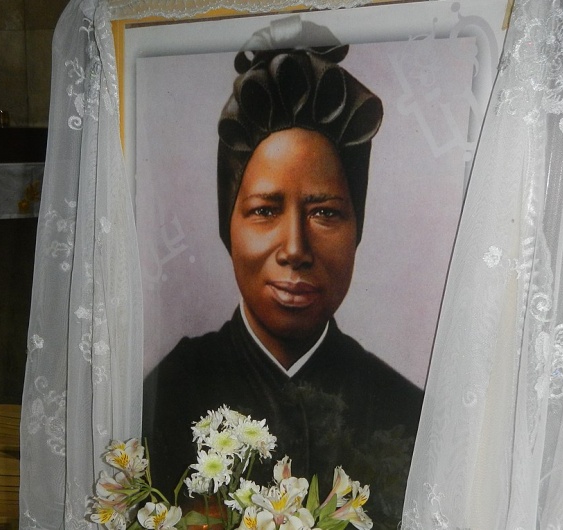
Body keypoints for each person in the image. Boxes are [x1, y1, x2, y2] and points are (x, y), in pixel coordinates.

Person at [142, 45, 424, 528]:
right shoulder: (171, 391)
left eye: (325, 212)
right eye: (264, 211)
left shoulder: (403, 409)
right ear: (228, 227)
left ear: (357, 228)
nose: (295, 248)